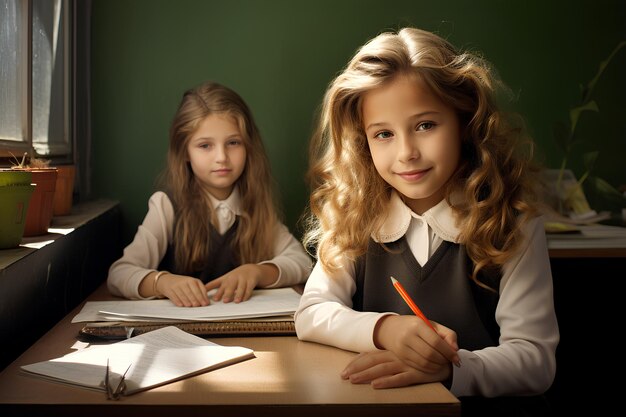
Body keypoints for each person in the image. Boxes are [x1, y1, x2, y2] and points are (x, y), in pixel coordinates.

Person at [294, 27, 559, 411]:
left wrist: (452, 370)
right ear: (362, 142)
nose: (407, 153)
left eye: (425, 126)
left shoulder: (512, 224)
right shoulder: (355, 217)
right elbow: (312, 313)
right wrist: (385, 329)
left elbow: (535, 361)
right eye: (383, 133)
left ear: (466, 122)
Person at [108, 81, 312, 307]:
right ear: (184, 151)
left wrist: (256, 272)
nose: (222, 157)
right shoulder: (167, 205)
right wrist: (162, 282)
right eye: (205, 146)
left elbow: (302, 264)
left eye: (233, 143)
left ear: (248, 146)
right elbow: (119, 274)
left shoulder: (255, 204)